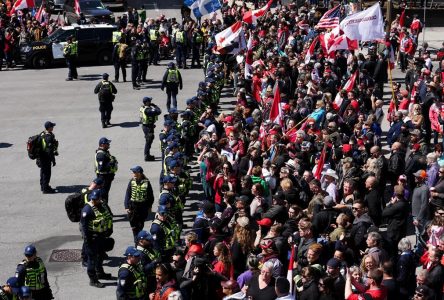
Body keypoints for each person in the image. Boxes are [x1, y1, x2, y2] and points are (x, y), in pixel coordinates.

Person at [80, 189, 113, 288]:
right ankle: (93, 279)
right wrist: (88, 240)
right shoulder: (87, 210)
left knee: (101, 255)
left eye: (96, 199)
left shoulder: (103, 206)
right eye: (93, 199)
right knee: (92, 259)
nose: (94, 201)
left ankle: (100, 272)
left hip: (101, 236)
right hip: (92, 239)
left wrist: (109, 229)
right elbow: (84, 227)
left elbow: (109, 217)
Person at [124, 166, 154, 242]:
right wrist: (126, 206)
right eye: (133, 172)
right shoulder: (131, 181)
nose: (133, 174)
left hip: (142, 206)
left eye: (134, 172)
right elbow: (128, 194)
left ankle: (138, 239)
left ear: (139, 173)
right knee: (134, 226)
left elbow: (150, 195)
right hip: (133, 206)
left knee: (140, 225)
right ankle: (136, 240)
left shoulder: (146, 182)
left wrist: (149, 206)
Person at [37, 121, 58, 194]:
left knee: (42, 172)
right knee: (47, 173)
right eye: (52, 126)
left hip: (40, 156)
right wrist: (53, 160)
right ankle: (46, 189)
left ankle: (43, 186)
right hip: (46, 157)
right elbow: (49, 151)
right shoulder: (48, 137)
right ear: (49, 128)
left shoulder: (42, 133)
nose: (53, 127)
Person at [94, 137, 118, 202]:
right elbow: (101, 168)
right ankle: (104, 208)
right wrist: (110, 163)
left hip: (106, 177)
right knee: (103, 195)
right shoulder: (101, 155)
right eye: (107, 143)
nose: (108, 145)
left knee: (105, 194)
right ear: (102, 145)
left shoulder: (105, 152)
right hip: (103, 178)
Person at [139, 96, 162, 161]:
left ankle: (147, 154)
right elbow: (159, 111)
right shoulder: (148, 110)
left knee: (148, 140)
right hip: (147, 127)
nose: (151, 102)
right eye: (149, 101)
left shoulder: (143, 107)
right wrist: (155, 106)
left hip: (146, 126)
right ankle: (146, 155)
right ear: (146, 102)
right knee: (149, 140)